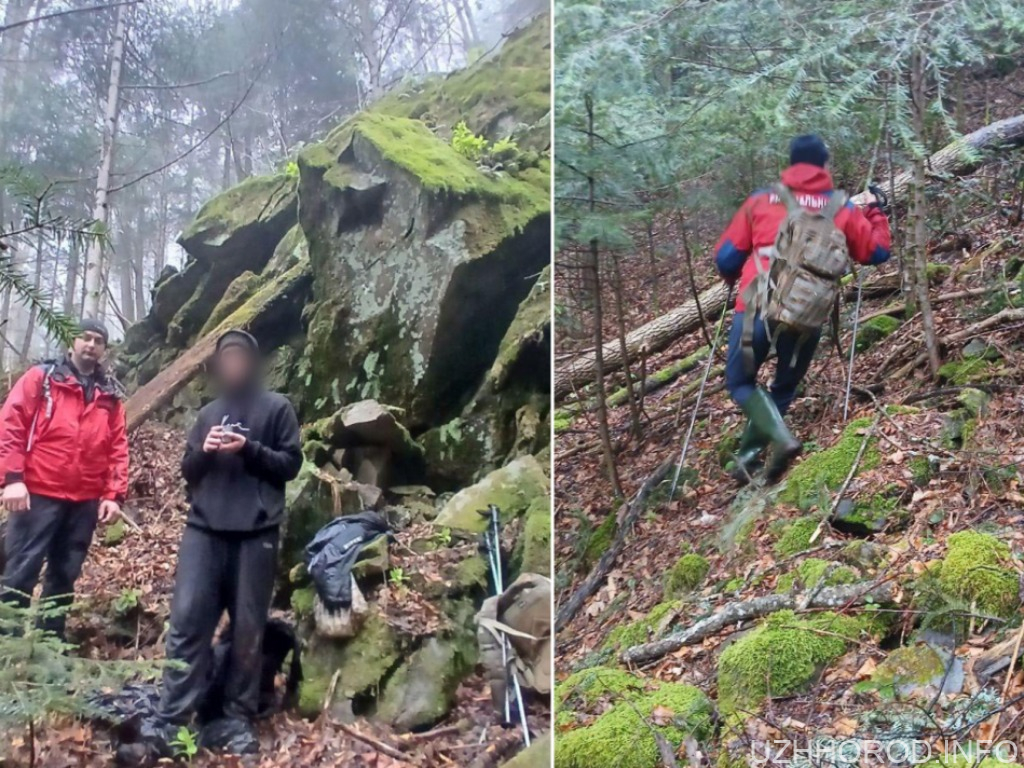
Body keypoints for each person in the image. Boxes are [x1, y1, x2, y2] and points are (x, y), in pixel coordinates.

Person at [142, 329, 302, 756]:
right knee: (187, 623)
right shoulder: (208, 413)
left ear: (250, 362)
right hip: (204, 531)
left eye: (239, 358)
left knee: (248, 630)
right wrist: (208, 451)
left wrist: (249, 449)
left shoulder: (277, 408)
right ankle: (172, 719)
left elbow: (290, 465)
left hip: (256, 534)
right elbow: (189, 472)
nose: (233, 365)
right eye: (226, 359)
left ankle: (233, 717)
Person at [713, 134, 892, 483]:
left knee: (739, 383)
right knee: (783, 387)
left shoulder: (762, 200)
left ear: (792, 164)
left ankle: (774, 444)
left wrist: (732, 274)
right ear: (824, 166)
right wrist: (875, 212)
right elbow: (876, 254)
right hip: (808, 316)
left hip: (755, 307)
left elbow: (725, 257)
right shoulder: (842, 208)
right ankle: (748, 462)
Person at [0, 319, 128, 639]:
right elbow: (11, 426)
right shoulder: (41, 378)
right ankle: (7, 651)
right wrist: (12, 478)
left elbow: (117, 447)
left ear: (104, 349)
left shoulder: (109, 396)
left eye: (98, 340)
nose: (91, 344)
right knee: (20, 573)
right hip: (36, 492)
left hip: (83, 500)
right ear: (71, 341)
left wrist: (114, 494)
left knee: (63, 579)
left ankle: (50, 649)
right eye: (85, 338)